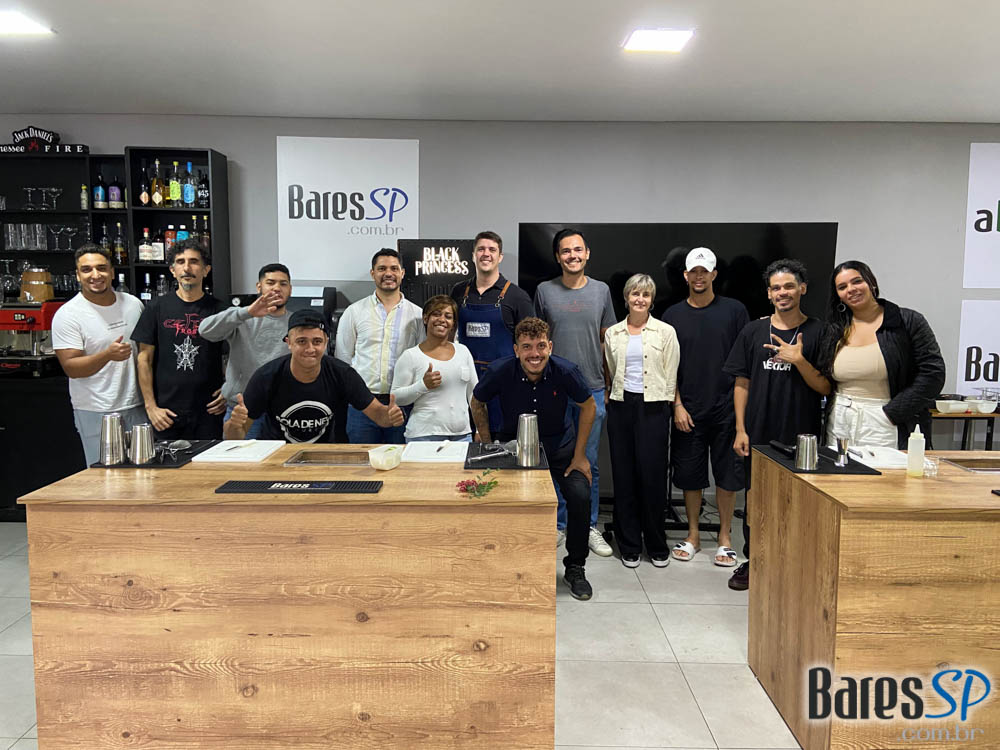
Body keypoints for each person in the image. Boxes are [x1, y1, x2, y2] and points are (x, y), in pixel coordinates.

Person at [470, 317, 596, 600]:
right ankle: (504, 564)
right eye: (527, 347)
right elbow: (477, 400)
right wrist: (487, 443)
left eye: (540, 346)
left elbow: (589, 407)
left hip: (560, 448)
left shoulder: (566, 371)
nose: (534, 354)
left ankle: (575, 567)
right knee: (498, 501)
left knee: (580, 495)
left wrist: (580, 456)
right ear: (516, 349)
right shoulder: (500, 370)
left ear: (550, 346)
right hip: (513, 447)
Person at [724, 259, 830, 590]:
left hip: (802, 435)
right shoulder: (753, 331)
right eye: (775, 288)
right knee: (756, 501)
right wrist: (740, 429)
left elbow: (825, 386)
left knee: (797, 503)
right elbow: (742, 383)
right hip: (758, 432)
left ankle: (792, 566)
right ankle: (754, 561)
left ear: (803, 289)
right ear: (768, 294)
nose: (782, 292)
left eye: (789, 286)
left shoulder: (820, 332)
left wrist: (799, 361)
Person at [662, 247, 749, 567]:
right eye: (693, 271)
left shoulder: (735, 311)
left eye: (705, 271)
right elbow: (667, 367)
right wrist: (677, 405)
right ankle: (693, 536)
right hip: (688, 409)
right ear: (685, 275)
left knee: (728, 476)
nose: (699, 277)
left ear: (714, 275)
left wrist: (740, 420)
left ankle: (725, 538)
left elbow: (744, 364)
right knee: (690, 476)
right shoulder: (672, 316)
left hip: (727, 409)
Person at [533, 228, 616, 557]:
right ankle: (559, 523)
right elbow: (537, 341)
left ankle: (588, 525)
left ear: (587, 253)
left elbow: (607, 341)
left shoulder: (601, 291)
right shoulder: (544, 291)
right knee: (553, 459)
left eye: (578, 250)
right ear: (558, 257)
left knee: (588, 462)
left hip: (591, 389)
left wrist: (608, 385)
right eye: (566, 251)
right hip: (553, 390)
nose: (572, 256)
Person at [817, 260, 945, 449]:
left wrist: (892, 413)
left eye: (857, 281)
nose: (851, 289)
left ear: (871, 283)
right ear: (838, 296)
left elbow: (933, 374)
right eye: (842, 287)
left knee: (885, 469)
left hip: (886, 420)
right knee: (840, 469)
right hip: (839, 420)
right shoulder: (835, 329)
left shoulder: (907, 321)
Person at [224, 309, 404, 442]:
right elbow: (234, 436)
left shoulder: (342, 374)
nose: (310, 349)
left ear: (326, 343)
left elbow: (378, 414)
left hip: (328, 456)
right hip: (278, 456)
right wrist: (235, 424)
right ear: (289, 343)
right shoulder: (266, 377)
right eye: (301, 341)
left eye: (317, 341)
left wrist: (390, 416)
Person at [603, 274, 680, 568]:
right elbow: (611, 369)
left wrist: (670, 404)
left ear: (652, 299)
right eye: (635, 294)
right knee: (624, 476)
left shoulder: (665, 332)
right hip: (622, 406)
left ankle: (656, 544)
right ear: (626, 298)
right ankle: (629, 544)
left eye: (646, 295)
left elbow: (671, 372)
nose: (640, 299)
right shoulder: (613, 333)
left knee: (653, 476)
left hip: (655, 408)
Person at [52, 244, 145, 465]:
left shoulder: (133, 304)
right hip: (95, 410)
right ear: (78, 275)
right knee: (104, 476)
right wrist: (107, 355)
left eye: (101, 268)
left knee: (143, 472)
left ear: (112, 272)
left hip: (136, 404)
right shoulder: (68, 315)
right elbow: (71, 367)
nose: (95, 275)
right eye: (87, 270)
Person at [133, 239, 226, 439]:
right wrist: (151, 407)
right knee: (167, 461)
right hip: (166, 412)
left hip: (210, 411)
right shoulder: (155, 308)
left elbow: (233, 355)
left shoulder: (220, 310)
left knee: (209, 460)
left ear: (206, 270)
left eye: (194, 261)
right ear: (172, 270)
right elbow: (144, 359)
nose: (187, 268)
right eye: (180, 262)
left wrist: (229, 390)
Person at [335, 248, 424, 443]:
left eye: (394, 268)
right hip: (362, 404)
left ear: (402, 273)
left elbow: (421, 361)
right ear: (372, 273)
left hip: (402, 404)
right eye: (382, 268)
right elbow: (343, 360)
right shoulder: (354, 312)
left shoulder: (417, 315)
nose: (388, 273)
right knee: (363, 459)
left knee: (399, 459)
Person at [450, 230, 534, 437]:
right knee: (465, 438)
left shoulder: (517, 297)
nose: (486, 254)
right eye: (481, 249)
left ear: (500, 256)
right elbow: (448, 336)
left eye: (492, 250)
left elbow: (530, 345)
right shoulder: (458, 292)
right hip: (464, 381)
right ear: (473, 255)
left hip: (503, 383)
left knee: (500, 440)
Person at [199, 263, 294, 439]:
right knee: (240, 456)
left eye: (283, 284)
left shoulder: (296, 323)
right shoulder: (242, 316)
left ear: (290, 289)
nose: (277, 288)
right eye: (270, 282)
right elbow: (205, 331)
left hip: (284, 411)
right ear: (259, 287)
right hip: (242, 409)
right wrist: (247, 312)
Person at [391, 295, 478, 442]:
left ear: (453, 324)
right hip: (423, 436)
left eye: (448, 316)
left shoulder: (463, 351)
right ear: (425, 318)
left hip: (462, 435)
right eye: (436, 314)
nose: (442, 320)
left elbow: (474, 394)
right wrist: (423, 385)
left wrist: (480, 429)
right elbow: (396, 397)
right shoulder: (411, 356)